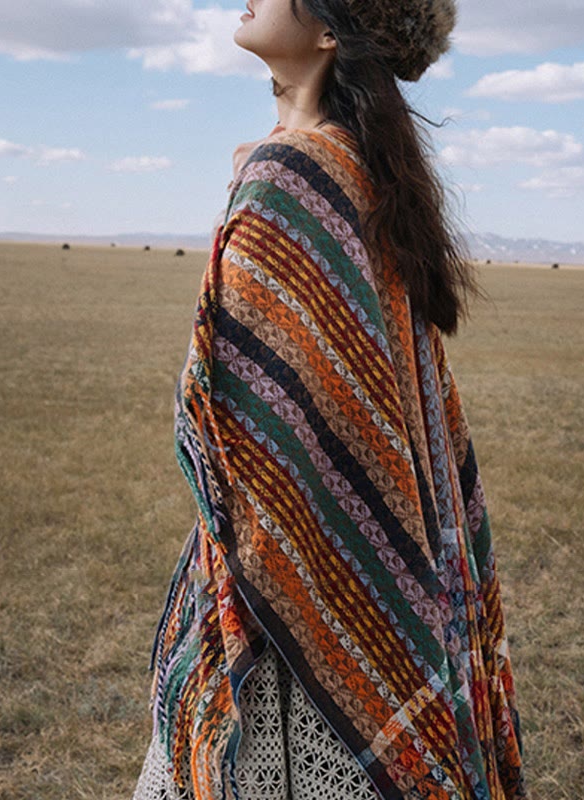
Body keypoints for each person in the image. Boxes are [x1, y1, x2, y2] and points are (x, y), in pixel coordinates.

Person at [133, 1, 526, 798]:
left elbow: (226, 397)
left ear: (327, 30)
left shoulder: (294, 171)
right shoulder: (362, 164)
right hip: (347, 545)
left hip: (287, 558)